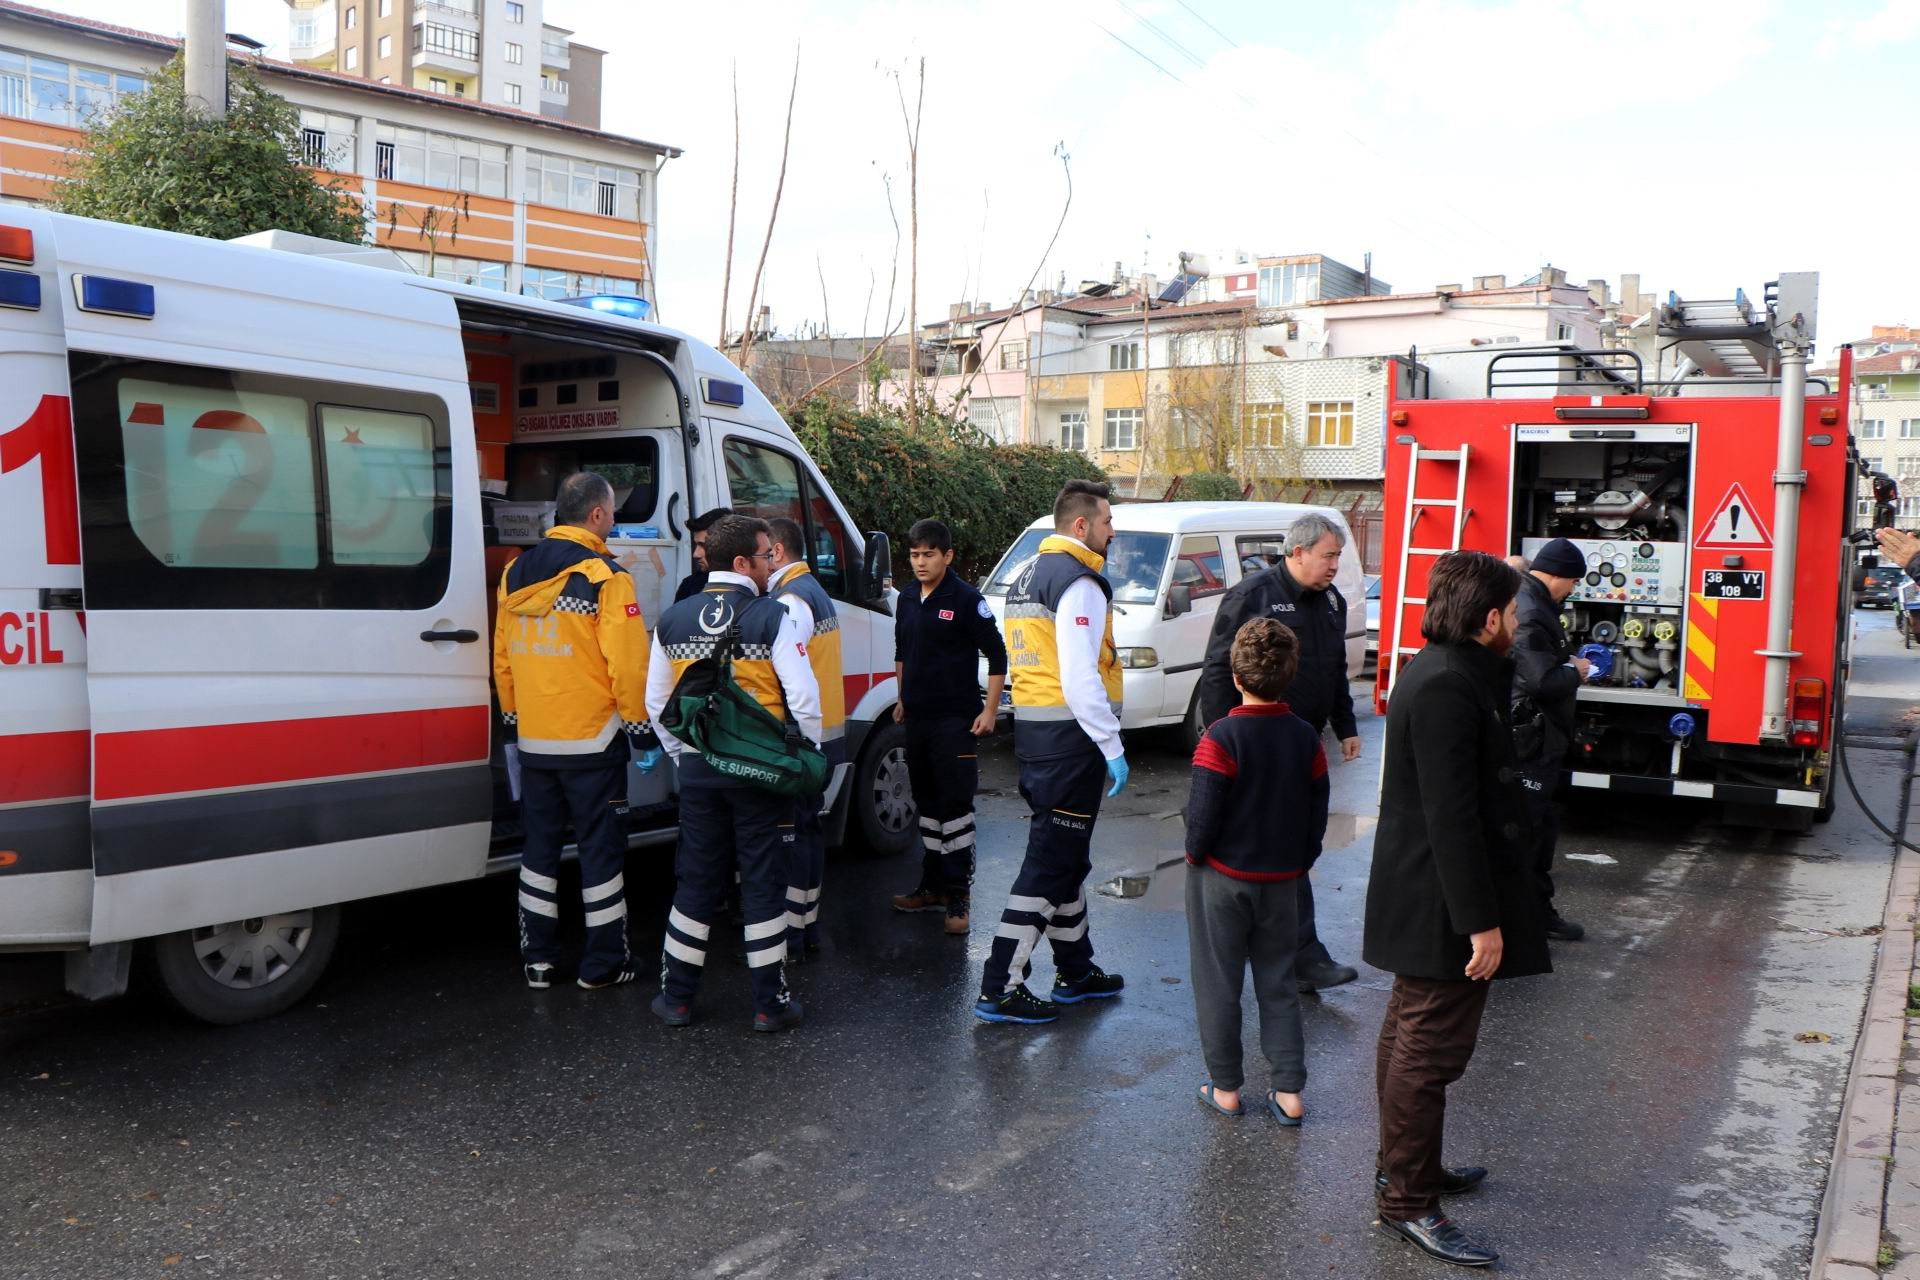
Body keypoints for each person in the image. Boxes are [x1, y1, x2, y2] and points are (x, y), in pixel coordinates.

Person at [1364, 551, 1549, 1269]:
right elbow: (1452, 816)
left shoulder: (1446, 668)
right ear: (1493, 618)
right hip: (1439, 902)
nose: (1520, 623)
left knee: (1411, 1036)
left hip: (1427, 893)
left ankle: (1408, 1169)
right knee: (1428, 1050)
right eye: (1515, 610)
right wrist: (1481, 920)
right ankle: (1406, 1201)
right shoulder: (1446, 683)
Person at [645, 514, 823, 1033]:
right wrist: (799, 756)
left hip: (700, 772)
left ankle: (676, 999)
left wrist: (686, 757)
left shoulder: (673, 618)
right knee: (763, 883)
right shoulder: (774, 617)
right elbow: (805, 701)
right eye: (768, 556)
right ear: (743, 562)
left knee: (696, 882)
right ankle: (770, 1005)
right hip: (759, 774)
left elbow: (657, 703)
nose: (773, 564)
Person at [492, 471, 661, 991]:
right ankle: (603, 964)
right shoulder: (608, 577)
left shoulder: (515, 574)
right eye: (612, 511)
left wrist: (517, 722)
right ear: (595, 516)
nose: (614, 519)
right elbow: (628, 666)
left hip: (537, 744)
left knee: (538, 854)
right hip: (593, 744)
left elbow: (503, 659)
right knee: (600, 855)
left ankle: (538, 962)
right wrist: (641, 733)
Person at [975, 479, 1128, 1024]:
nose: (1114, 530)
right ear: (1080, 525)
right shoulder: (1079, 581)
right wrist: (1110, 744)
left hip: (1040, 737)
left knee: (1064, 857)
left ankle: (1077, 970)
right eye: (1108, 521)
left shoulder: (1027, 575)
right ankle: (1000, 986)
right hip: (1072, 742)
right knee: (1048, 864)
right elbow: (1081, 674)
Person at [1196, 512, 1362, 994]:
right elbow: (1216, 671)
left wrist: (1345, 725)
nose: (1335, 566)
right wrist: (1223, 737)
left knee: (1291, 845)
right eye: (1329, 556)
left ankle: (1297, 958)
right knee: (1259, 848)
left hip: (1300, 741)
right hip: (1251, 741)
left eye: (1337, 556)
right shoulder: (1254, 596)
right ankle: (1290, 957)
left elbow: (1332, 670)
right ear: (1298, 552)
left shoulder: (1330, 602)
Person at [1185, 618, 1329, 1127]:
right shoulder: (1306, 738)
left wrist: (1194, 857)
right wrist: (1300, 863)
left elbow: (1201, 818)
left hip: (1223, 877)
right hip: (1282, 880)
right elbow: (1316, 816)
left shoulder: (1220, 738)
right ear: (1290, 673)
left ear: (1237, 675)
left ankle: (1225, 1088)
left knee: (1218, 983)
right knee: (1278, 983)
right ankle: (1289, 1091)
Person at [889, 518, 1009, 936]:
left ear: (947, 556)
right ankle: (933, 885)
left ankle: (959, 892)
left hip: (955, 721)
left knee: (955, 810)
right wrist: (902, 698)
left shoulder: (965, 598)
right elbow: (902, 650)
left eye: (929, 555)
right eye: (914, 555)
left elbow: (997, 655)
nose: (920, 562)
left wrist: (990, 710)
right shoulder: (906, 598)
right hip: (917, 719)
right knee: (927, 807)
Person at [766, 516, 846, 960]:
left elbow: (789, 678)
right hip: (824, 734)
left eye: (762, 552)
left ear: (776, 551)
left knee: (793, 837)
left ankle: (791, 937)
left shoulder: (791, 599)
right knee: (809, 833)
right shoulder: (813, 591)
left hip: (803, 742)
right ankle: (806, 927)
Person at [1510, 538, 1592, 943]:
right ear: (1556, 574)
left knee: (1540, 829)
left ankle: (1533, 912)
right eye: (1573, 581)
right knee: (1529, 831)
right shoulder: (1531, 610)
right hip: (1531, 738)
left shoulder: (1534, 602)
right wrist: (1576, 671)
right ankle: (1524, 917)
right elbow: (1539, 680)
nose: (1573, 589)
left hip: (1538, 735)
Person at [672, 507, 732, 603]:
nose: (696, 554)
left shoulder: (756, 586)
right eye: (697, 545)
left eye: (704, 545)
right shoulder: (689, 586)